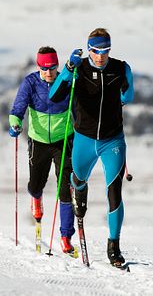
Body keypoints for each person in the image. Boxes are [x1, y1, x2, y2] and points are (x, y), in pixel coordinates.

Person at [49, 28, 134, 267]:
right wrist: (67, 69)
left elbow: (128, 96)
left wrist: (123, 91)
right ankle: (80, 195)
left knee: (114, 191)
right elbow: (54, 97)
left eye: (105, 51)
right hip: (84, 139)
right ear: (89, 50)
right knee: (78, 180)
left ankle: (114, 247)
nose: (101, 56)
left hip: (112, 141)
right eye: (96, 51)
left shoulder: (120, 68)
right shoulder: (78, 69)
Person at [9, 46, 76, 255]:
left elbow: (79, 110)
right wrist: (15, 122)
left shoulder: (66, 82)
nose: (49, 73)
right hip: (38, 141)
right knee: (36, 183)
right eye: (44, 68)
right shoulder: (30, 82)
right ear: (39, 67)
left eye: (53, 68)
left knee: (66, 188)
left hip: (63, 140)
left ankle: (66, 236)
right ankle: (36, 198)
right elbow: (18, 107)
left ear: (58, 66)